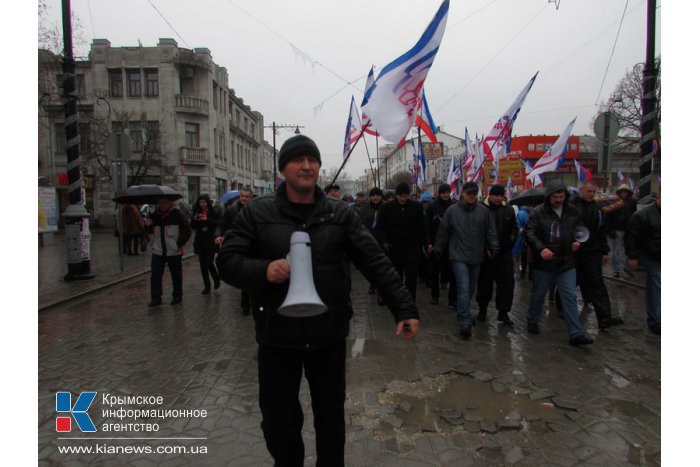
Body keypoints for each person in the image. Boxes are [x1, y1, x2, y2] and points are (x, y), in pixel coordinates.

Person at [216, 134, 419, 466]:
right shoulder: (257, 213)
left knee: (330, 421)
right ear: (283, 169)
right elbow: (227, 261)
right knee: (279, 424)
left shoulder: (339, 214)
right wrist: (264, 270)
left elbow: (375, 261)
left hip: (327, 335)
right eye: (298, 160)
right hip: (276, 337)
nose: (307, 166)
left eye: (312, 160)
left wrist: (404, 307)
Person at [524, 179, 594, 346]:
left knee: (569, 296)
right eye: (555, 196)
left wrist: (578, 241)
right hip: (545, 263)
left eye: (561, 196)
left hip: (567, 261)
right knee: (539, 294)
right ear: (549, 196)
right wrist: (541, 249)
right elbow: (530, 232)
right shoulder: (539, 213)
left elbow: (579, 229)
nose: (558, 200)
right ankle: (532, 319)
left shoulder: (572, 211)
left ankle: (576, 333)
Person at [434, 181, 498, 339]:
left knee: (470, 288)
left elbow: (490, 231)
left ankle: (464, 312)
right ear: (462, 194)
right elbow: (444, 232)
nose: (471, 196)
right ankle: (465, 321)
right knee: (463, 287)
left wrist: (493, 247)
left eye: (474, 194)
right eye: (469, 193)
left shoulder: (483, 211)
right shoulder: (452, 211)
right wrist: (438, 248)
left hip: (476, 255)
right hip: (458, 255)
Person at [572, 180, 625, 329]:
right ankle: (564, 309)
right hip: (575, 250)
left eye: (593, 192)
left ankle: (604, 317)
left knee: (597, 282)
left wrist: (604, 251)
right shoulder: (572, 207)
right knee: (572, 280)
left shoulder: (598, 209)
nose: (591, 194)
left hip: (592, 250)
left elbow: (602, 230)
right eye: (589, 191)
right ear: (581, 190)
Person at [377, 182, 427, 301]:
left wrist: (424, 243)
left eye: (405, 196)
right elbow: (381, 227)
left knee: (411, 277)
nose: (403, 199)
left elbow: (422, 227)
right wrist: (384, 242)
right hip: (394, 248)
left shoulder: (417, 207)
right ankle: (399, 300)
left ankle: (410, 301)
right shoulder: (387, 208)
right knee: (396, 277)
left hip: (412, 248)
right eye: (400, 196)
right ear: (396, 195)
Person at [476, 184, 518, 325]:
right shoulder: (481, 209)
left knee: (506, 284)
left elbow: (514, 229)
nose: (499, 198)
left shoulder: (508, 210)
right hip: (487, 254)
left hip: (504, 253)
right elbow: (478, 231)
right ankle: (482, 309)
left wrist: (510, 242)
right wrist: (485, 247)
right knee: (485, 284)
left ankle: (503, 312)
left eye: (501, 196)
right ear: (490, 195)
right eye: (496, 195)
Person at [624, 191, 661, 334]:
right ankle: (655, 321)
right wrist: (632, 256)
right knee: (656, 286)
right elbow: (631, 237)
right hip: (652, 255)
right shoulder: (642, 215)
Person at [145, 196, 191, 307]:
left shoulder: (178, 214)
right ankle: (156, 298)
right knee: (155, 275)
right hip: (158, 250)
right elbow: (149, 231)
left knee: (176, 275)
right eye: (160, 203)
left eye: (164, 203)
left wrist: (178, 244)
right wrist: (147, 226)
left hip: (173, 251)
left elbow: (187, 230)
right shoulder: (155, 215)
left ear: (170, 203)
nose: (162, 205)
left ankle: (177, 295)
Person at [214, 187, 254, 313]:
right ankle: (245, 303)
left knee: (252, 273)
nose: (244, 199)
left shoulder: (257, 209)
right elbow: (222, 224)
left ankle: (251, 301)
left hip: (254, 244)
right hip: (238, 244)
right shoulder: (231, 210)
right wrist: (218, 235)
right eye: (242, 196)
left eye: (247, 197)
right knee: (245, 273)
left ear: (251, 197)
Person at [425, 183, 456, 307]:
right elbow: (427, 226)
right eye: (444, 192)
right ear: (440, 193)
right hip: (436, 243)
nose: (446, 195)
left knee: (451, 272)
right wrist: (429, 243)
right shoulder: (432, 206)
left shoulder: (454, 205)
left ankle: (452, 298)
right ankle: (435, 295)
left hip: (451, 244)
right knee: (435, 271)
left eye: (448, 192)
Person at [191, 194, 221, 295]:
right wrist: (194, 219)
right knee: (202, 265)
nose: (202, 204)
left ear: (207, 202)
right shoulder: (197, 211)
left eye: (204, 202)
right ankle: (207, 286)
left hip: (210, 240)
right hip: (200, 240)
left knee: (209, 262)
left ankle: (216, 279)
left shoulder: (213, 211)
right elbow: (193, 226)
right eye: (200, 202)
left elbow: (218, 224)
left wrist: (207, 219)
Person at [606, 184, 637, 278]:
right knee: (617, 250)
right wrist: (610, 229)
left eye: (625, 192)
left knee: (629, 249)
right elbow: (609, 216)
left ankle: (627, 267)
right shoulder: (614, 202)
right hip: (617, 228)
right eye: (622, 192)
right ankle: (616, 270)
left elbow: (634, 215)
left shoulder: (632, 202)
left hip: (629, 229)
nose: (624, 193)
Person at [358, 187, 384, 296]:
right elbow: (360, 226)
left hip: (383, 242)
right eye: (373, 195)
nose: (375, 197)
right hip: (369, 242)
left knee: (383, 267)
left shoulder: (387, 207)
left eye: (377, 195)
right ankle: (373, 284)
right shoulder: (364, 209)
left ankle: (381, 289)